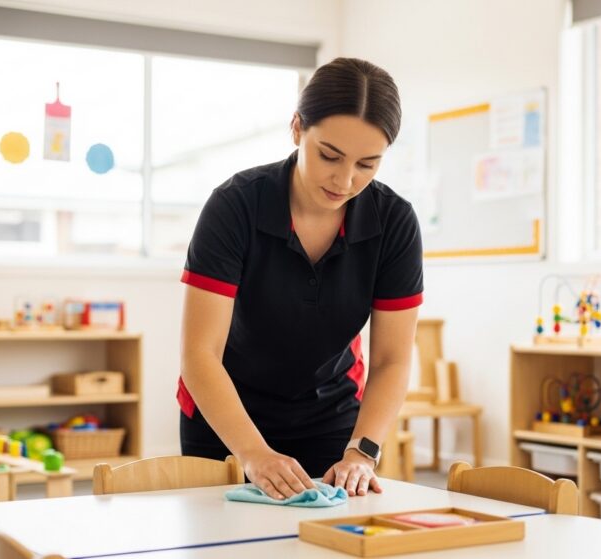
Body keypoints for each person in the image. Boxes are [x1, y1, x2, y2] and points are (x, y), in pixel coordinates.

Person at [178, 57, 422, 501]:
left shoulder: (394, 222)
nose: (345, 180)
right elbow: (199, 354)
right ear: (296, 129)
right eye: (329, 155)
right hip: (224, 418)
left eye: (367, 164)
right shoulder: (235, 207)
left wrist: (362, 453)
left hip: (330, 419)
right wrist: (252, 452)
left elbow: (392, 360)